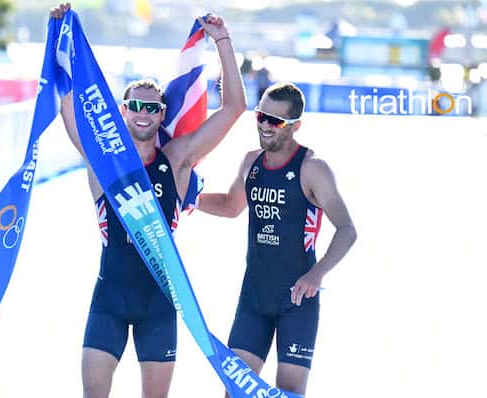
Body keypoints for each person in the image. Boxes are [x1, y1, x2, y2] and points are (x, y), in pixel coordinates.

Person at [50, 3, 246, 397]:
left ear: (162, 115)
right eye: (135, 106)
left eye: (151, 108)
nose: (143, 114)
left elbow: (235, 108)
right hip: (110, 297)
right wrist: (58, 35)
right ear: (122, 112)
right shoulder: (105, 164)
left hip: (159, 300)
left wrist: (222, 41)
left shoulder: (177, 160)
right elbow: (68, 104)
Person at [197, 82, 357, 395]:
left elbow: (347, 229)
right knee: (235, 390)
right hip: (254, 296)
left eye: (275, 121)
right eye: (261, 116)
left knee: (289, 392)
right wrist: (189, 200)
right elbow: (231, 207)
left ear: (295, 126)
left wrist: (316, 274)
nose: (265, 126)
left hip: (297, 301)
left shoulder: (312, 168)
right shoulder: (250, 162)